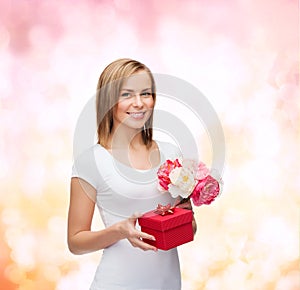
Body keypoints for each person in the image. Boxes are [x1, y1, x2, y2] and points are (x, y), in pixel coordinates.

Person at [67, 58, 197, 290]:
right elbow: (76, 242)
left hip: (167, 284)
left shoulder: (171, 153)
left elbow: (190, 228)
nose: (139, 103)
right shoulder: (91, 162)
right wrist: (118, 231)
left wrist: (186, 218)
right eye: (126, 94)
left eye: (146, 93)